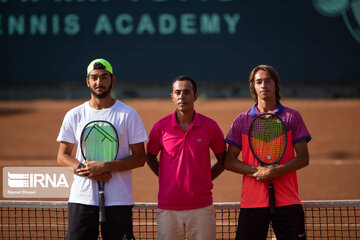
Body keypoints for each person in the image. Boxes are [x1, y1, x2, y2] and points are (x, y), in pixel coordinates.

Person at [57, 58, 148, 240]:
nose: (99, 82)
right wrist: (89, 171)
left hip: (119, 200)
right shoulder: (74, 115)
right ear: (88, 81)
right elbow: (62, 156)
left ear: (112, 80)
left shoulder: (128, 114)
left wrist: (105, 167)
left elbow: (140, 158)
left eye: (104, 77)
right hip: (82, 199)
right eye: (94, 78)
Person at [225, 65, 311, 240]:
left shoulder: (292, 117)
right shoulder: (242, 120)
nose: (263, 85)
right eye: (259, 82)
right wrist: (257, 171)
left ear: (276, 85)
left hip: (288, 202)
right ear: (253, 87)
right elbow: (229, 161)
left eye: (268, 81)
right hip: (252, 203)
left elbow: (303, 158)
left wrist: (274, 171)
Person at [146, 75, 226, 240]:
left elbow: (223, 159)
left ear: (195, 96)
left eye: (187, 92)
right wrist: (165, 177)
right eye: (178, 92)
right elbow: (150, 156)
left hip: (202, 207)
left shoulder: (210, 126)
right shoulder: (160, 128)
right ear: (172, 97)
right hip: (168, 208)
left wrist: (205, 178)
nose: (182, 96)